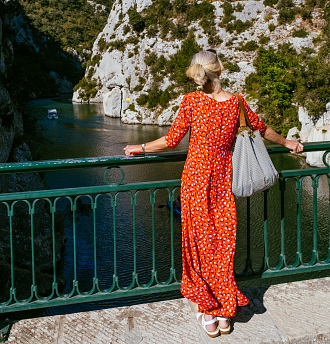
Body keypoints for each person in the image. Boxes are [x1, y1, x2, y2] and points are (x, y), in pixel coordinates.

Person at [124, 49, 303, 337]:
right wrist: (288, 142)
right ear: (220, 70)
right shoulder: (236, 103)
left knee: (199, 245)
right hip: (222, 180)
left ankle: (207, 312)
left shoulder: (192, 101)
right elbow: (262, 129)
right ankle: (223, 314)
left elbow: (171, 141)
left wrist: (140, 148)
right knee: (222, 244)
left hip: (195, 180)